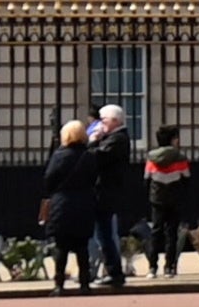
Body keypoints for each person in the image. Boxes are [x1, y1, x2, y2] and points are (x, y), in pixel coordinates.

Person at [82, 103, 139, 293]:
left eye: (103, 121)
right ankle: (112, 272)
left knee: (104, 235)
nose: (100, 125)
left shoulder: (117, 139)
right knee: (102, 234)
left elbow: (94, 157)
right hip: (104, 191)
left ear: (115, 121)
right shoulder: (114, 137)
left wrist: (92, 140)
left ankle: (114, 273)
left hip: (106, 193)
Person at [35, 120, 97, 295]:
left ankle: (59, 285)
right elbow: (94, 178)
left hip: (62, 203)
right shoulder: (89, 156)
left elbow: (48, 180)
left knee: (61, 247)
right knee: (82, 246)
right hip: (84, 203)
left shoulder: (59, 156)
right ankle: (85, 284)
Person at [140, 126, 193, 278]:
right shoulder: (180, 157)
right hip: (175, 198)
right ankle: (169, 266)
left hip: (157, 198)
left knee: (156, 232)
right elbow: (186, 178)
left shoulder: (151, 157)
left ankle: (152, 267)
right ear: (172, 139)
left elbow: (146, 179)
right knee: (172, 233)